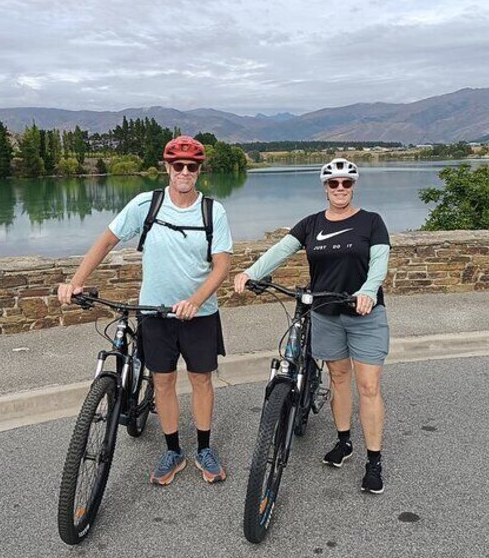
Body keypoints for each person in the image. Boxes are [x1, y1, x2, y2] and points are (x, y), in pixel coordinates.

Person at [58, 136, 233, 485]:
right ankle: (172, 451)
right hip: (155, 312)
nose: (185, 172)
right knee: (163, 381)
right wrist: (75, 281)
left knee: (201, 380)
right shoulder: (146, 205)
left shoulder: (213, 211)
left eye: (192, 166)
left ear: (199, 171)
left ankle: (203, 448)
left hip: (199, 314)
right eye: (178, 165)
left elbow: (222, 267)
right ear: (167, 168)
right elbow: (106, 241)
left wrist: (195, 300)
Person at [234, 157, 391, 494]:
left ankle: (374, 461)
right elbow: (281, 250)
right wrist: (251, 273)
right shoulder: (311, 224)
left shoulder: (371, 222)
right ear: (325, 188)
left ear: (353, 186)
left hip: (364, 314)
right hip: (324, 312)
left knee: (368, 387)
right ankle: (344, 442)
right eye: (333, 184)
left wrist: (366, 291)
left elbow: (379, 264)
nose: (340, 189)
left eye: (346, 183)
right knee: (338, 377)